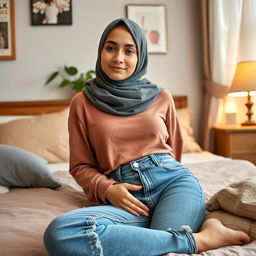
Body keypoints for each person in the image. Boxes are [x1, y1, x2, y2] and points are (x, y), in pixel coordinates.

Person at [43, 18, 250, 256]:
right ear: (101, 51)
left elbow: (175, 152)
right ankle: (203, 239)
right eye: (110, 48)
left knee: (162, 251)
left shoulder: (162, 97)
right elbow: (80, 166)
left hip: (173, 184)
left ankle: (184, 238)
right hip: (124, 196)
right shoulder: (82, 102)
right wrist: (108, 188)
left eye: (129, 50)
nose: (118, 57)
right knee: (60, 232)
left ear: (140, 56)